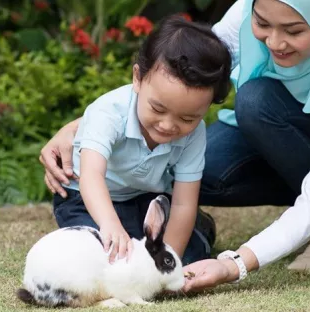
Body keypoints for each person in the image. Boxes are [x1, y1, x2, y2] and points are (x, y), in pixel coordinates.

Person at [40, 0, 310, 292]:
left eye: (293, 31)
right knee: (187, 174)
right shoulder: (247, 13)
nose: (274, 42)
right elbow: (179, 67)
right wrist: (80, 128)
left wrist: (235, 264)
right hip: (289, 128)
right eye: (262, 23)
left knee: (256, 101)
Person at [46, 16, 232, 266]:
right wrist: (110, 224)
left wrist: (169, 262)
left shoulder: (195, 133)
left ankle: (200, 228)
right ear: (138, 78)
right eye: (157, 108)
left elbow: (183, 203)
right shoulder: (109, 112)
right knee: (100, 257)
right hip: (86, 198)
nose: (168, 125)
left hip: (145, 198)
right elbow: (91, 176)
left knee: (189, 256)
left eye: (187, 118)